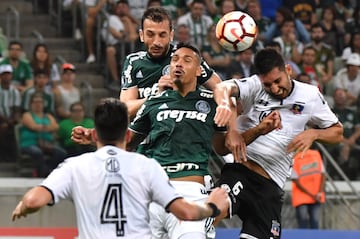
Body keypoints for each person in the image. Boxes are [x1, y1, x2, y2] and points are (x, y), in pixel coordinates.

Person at [72, 43, 280, 238]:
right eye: (175, 60)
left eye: (187, 60)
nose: (178, 63)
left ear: (199, 71)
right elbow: (128, 140)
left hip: (190, 194)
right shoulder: (154, 101)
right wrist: (94, 136)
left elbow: (222, 146)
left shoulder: (211, 102)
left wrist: (259, 130)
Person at [12, 98, 230, 239]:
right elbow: (187, 212)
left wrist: (24, 207)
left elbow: (33, 200)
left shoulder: (75, 167)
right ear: (127, 136)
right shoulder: (146, 167)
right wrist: (213, 207)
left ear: (94, 134)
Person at [213, 48, 343, 239]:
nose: (274, 89)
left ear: (288, 70)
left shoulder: (310, 95)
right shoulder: (255, 86)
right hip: (242, 171)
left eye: (277, 81)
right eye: (268, 84)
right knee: (211, 212)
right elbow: (222, 88)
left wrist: (314, 134)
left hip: (271, 187)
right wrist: (232, 131)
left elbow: (338, 132)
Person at [120, 7, 222, 120]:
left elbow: (221, 89)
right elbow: (126, 110)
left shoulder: (186, 57)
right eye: (150, 34)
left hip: (183, 126)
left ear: (171, 35)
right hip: (146, 131)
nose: (156, 42)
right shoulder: (133, 62)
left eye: (162, 35)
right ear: (141, 35)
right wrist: (157, 96)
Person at [19, 93, 67, 177]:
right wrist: (48, 127)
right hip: (30, 143)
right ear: (31, 104)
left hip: (47, 143)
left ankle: (50, 171)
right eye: (35, 102)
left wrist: (41, 127)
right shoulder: (27, 115)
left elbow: (56, 127)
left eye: (40, 102)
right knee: (37, 152)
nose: (38, 104)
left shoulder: (48, 116)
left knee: (61, 153)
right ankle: (42, 174)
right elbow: (32, 126)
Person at [291, 147, 326, 229]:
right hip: (313, 196)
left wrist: (316, 194)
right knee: (314, 222)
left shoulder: (295, 158)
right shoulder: (316, 154)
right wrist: (319, 193)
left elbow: (295, 179)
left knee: (304, 222)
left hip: (309, 197)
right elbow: (323, 175)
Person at [0, 64, 21, 162]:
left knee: (15, 128)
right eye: (4, 74)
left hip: (10, 120)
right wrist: (5, 121)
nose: (6, 77)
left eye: (8, 74)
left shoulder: (14, 91)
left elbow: (16, 108)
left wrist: (11, 121)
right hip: (1, 119)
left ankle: (13, 156)